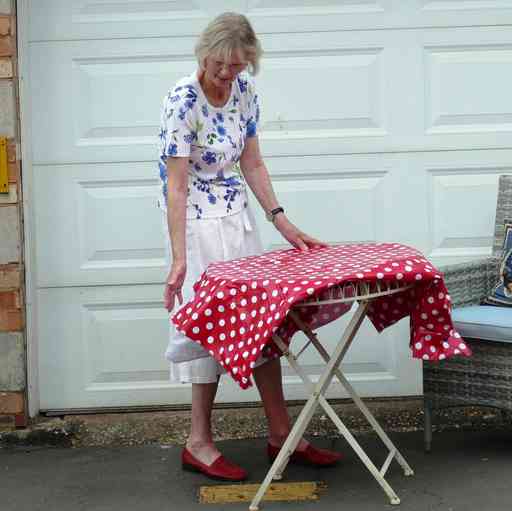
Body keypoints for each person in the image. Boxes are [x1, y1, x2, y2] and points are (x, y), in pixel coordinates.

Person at [159, 12, 341, 481]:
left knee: (261, 318)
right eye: (222, 64)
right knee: (207, 326)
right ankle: (198, 442)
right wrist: (180, 258)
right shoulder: (183, 100)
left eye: (238, 67)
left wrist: (281, 220)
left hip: (237, 218)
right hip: (196, 224)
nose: (227, 74)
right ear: (205, 53)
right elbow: (175, 187)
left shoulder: (244, 93)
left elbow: (253, 163)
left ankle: (281, 432)